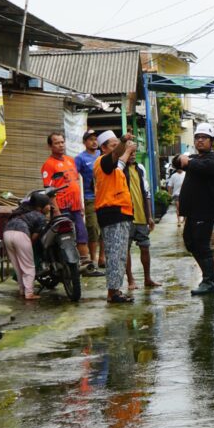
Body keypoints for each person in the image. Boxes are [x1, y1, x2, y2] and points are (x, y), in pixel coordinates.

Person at [176, 123, 214, 296]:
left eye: (204, 138)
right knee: (190, 242)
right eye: (197, 137)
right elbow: (176, 162)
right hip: (193, 212)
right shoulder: (196, 158)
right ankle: (209, 275)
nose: (200, 140)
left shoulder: (213, 160)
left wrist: (188, 161)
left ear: (212, 142)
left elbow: (197, 166)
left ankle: (209, 281)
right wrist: (184, 159)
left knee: (201, 245)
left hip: (205, 210)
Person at [93, 130, 136, 304]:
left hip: (121, 212)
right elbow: (118, 155)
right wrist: (124, 142)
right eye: (113, 145)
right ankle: (113, 292)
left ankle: (115, 289)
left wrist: (126, 152)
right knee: (115, 253)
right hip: (112, 212)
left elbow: (121, 162)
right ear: (103, 148)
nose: (117, 148)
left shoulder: (114, 166)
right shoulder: (102, 162)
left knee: (120, 253)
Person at [41, 132, 89, 265]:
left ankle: (85, 264)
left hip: (75, 206)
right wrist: (56, 210)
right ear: (50, 146)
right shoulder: (49, 164)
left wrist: (81, 206)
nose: (61, 145)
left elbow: (75, 183)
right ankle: (67, 265)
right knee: (64, 237)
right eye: (57, 143)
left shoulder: (70, 160)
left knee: (81, 234)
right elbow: (49, 190)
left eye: (62, 142)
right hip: (62, 207)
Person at [3, 190, 56, 301]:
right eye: (48, 205)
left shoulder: (21, 210)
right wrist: (29, 246)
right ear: (40, 206)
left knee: (17, 266)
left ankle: (22, 291)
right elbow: (34, 237)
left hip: (7, 233)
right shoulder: (40, 216)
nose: (50, 207)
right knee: (28, 266)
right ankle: (29, 293)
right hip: (21, 234)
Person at [124, 152, 160, 291]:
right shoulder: (119, 168)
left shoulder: (140, 168)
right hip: (126, 217)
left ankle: (147, 278)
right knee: (125, 249)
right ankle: (130, 280)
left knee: (145, 247)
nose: (132, 155)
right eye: (130, 152)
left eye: (134, 152)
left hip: (141, 216)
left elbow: (147, 193)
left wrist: (149, 216)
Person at [75, 129, 105, 273]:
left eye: (96, 139)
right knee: (92, 228)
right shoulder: (80, 158)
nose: (94, 142)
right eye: (91, 139)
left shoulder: (103, 155)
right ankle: (93, 259)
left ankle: (102, 258)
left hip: (104, 196)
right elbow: (74, 178)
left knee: (104, 227)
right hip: (89, 198)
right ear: (85, 142)